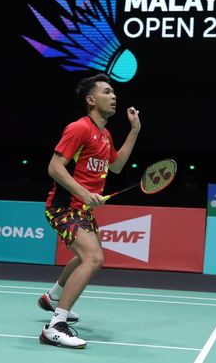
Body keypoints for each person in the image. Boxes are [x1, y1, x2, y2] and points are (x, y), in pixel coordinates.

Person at [38, 73, 140, 349]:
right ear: (91, 99)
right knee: (93, 258)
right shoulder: (79, 128)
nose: (114, 96)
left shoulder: (105, 135)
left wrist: (134, 131)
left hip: (81, 210)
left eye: (114, 92)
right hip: (62, 207)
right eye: (107, 92)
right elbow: (55, 167)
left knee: (84, 256)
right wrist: (84, 193)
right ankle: (55, 326)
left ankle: (53, 297)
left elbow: (116, 167)